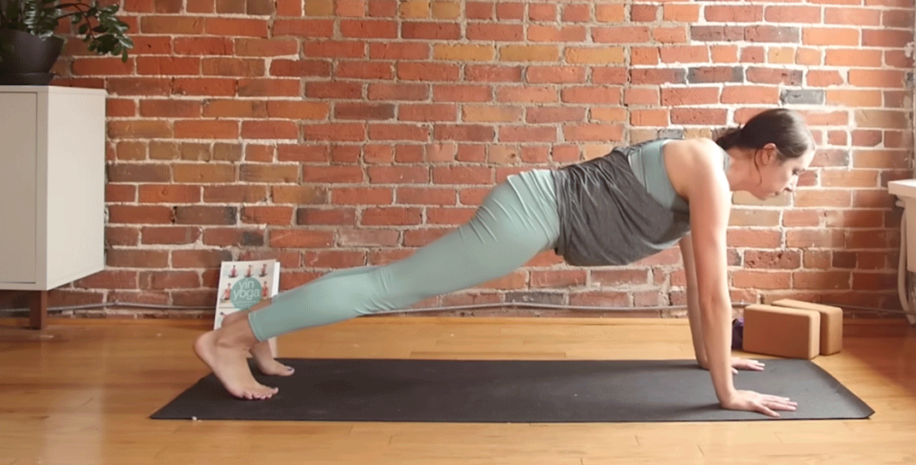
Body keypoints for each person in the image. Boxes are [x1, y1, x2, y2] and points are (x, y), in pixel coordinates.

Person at [194, 107, 815, 418]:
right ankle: (230, 339)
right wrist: (727, 394)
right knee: (391, 287)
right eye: (793, 172)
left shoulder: (706, 171)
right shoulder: (709, 171)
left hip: (536, 207)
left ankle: (261, 335)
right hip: (533, 211)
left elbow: (692, 281)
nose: (791, 186)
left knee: (387, 282)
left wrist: (712, 357)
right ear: (764, 154)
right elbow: (714, 293)